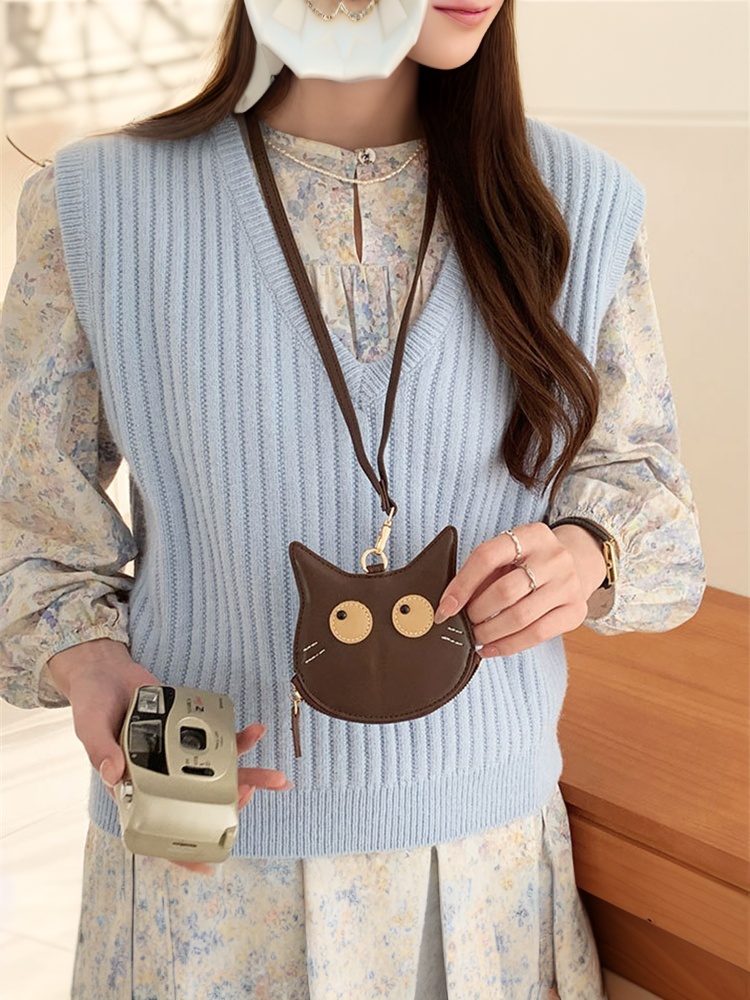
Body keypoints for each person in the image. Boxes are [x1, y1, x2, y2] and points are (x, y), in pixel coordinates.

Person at [0, 0, 706, 996]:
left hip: (483, 873)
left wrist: (591, 553)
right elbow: (28, 530)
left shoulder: (577, 200)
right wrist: (91, 665)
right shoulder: (98, 202)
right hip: (202, 848)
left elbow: (653, 501)